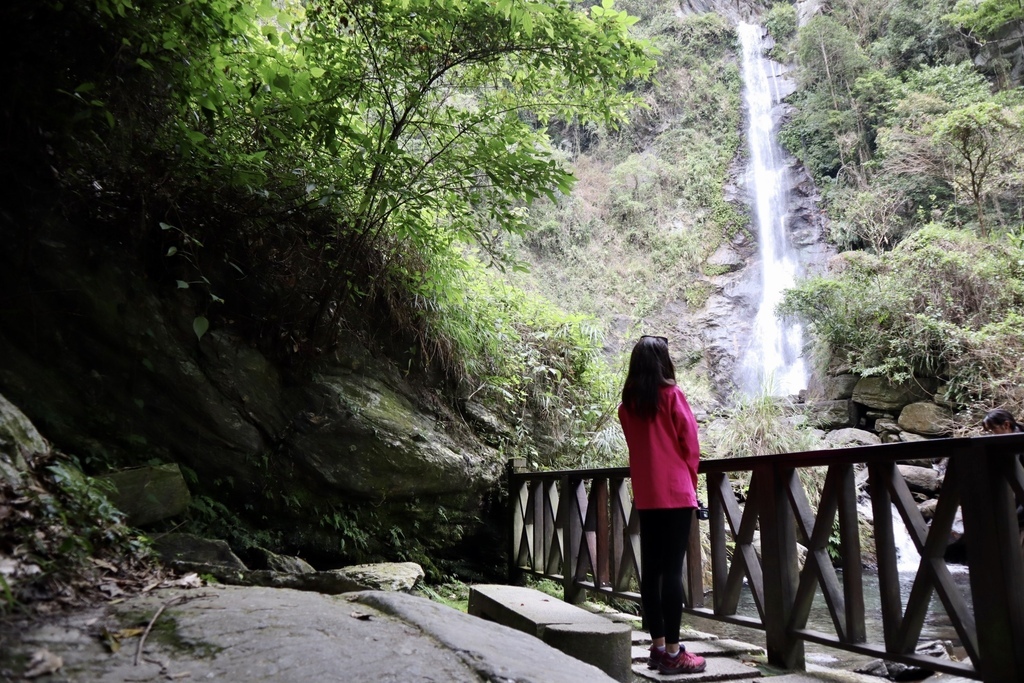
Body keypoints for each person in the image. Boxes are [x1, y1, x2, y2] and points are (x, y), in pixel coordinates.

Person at [618, 335, 707, 675]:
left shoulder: (627, 408)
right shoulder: (672, 396)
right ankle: (674, 653)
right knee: (672, 572)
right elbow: (690, 443)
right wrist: (690, 482)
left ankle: (657, 648)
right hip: (675, 492)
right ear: (662, 362)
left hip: (647, 494)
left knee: (652, 571)